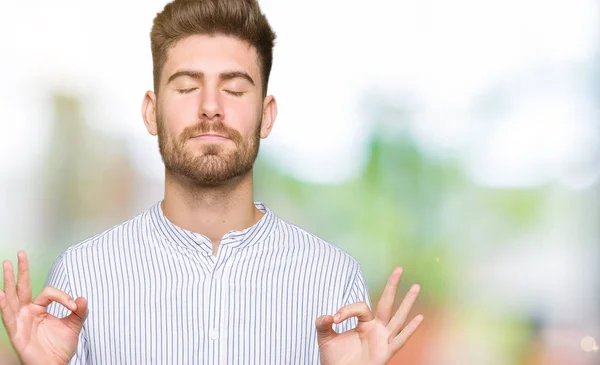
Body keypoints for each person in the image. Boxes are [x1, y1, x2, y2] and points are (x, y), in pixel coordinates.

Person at [0, 0, 423, 364]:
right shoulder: (82, 276)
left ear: (267, 115)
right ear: (151, 112)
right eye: (186, 87)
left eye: (235, 90)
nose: (210, 108)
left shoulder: (331, 279)